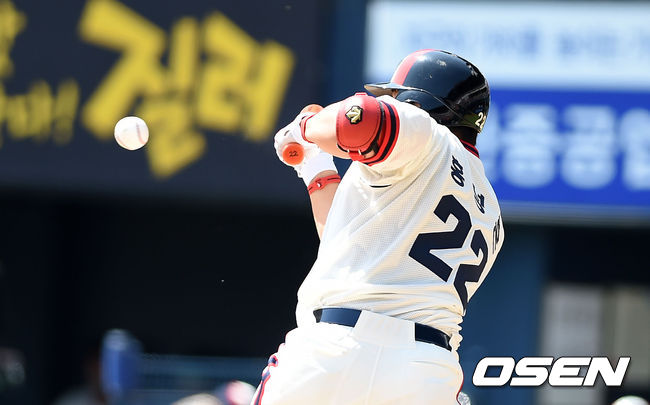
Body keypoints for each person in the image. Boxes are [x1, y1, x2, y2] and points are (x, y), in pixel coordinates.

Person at [253, 49, 504, 405]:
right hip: (427, 372)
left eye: (397, 96)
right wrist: (315, 168)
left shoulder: (426, 134)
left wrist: (306, 127)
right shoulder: (490, 207)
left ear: (418, 101)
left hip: (335, 350)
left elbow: (358, 118)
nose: (392, 101)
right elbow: (348, 244)